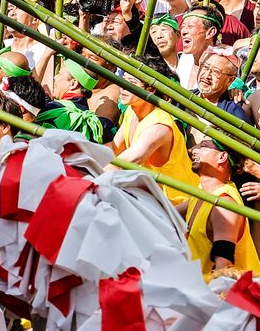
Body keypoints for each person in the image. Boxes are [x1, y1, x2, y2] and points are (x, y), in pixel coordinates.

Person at [110, 53, 199, 205]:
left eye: (131, 82)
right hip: (150, 198)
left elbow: (126, 160)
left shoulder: (159, 126)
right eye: (124, 80)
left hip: (178, 204)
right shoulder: (132, 110)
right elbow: (114, 148)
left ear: (150, 89)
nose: (123, 87)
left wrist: (91, 181)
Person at [187, 138, 260, 277]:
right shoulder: (202, 193)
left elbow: (223, 268)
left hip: (222, 294)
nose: (192, 150)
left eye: (203, 146)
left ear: (222, 157)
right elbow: (166, 212)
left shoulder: (225, 204)